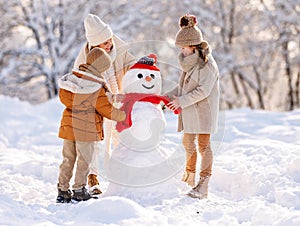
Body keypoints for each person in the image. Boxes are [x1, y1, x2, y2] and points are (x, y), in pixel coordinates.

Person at [74, 14, 135, 194]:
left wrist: (139, 66)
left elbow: (131, 63)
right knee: (95, 142)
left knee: (121, 138)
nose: (109, 44)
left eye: (109, 39)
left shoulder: (118, 48)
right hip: (97, 107)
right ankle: (92, 177)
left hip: (119, 103)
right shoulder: (84, 59)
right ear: (94, 45)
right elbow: (79, 82)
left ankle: (121, 175)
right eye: (104, 43)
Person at [56, 48, 126, 203]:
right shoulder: (95, 86)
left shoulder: (72, 80)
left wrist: (111, 96)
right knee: (83, 160)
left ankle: (62, 190)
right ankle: (79, 189)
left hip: (69, 127)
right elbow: (106, 109)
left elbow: (83, 99)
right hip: (85, 131)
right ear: (100, 66)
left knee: (68, 159)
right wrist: (123, 115)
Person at [166, 14, 220, 199]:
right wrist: (166, 98)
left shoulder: (207, 65)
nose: (181, 51)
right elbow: (183, 87)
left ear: (193, 46)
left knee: (203, 146)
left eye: (184, 47)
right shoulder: (189, 63)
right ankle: (189, 176)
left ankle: (204, 183)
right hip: (191, 111)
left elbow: (203, 91)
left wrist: (180, 101)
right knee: (188, 142)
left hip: (204, 111)